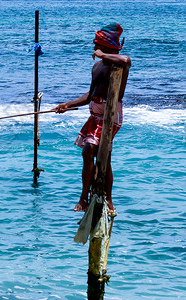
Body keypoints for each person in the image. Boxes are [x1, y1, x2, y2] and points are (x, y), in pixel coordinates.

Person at [53, 23, 131, 214]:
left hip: (109, 115)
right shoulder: (97, 66)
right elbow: (90, 95)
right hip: (94, 115)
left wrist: (103, 55)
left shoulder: (118, 64)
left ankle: (107, 199)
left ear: (106, 46)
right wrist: (67, 104)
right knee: (90, 153)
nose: (95, 48)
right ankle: (85, 198)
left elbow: (126, 59)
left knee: (99, 152)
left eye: (98, 44)